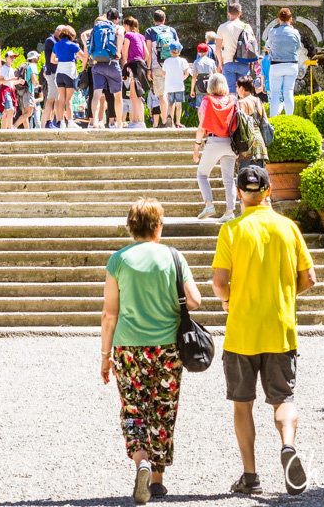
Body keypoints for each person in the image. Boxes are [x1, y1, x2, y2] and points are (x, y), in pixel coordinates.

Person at [212, 164, 316, 496]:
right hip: (280, 328)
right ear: (269, 190)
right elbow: (310, 279)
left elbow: (218, 283)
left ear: (239, 193)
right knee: (283, 399)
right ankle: (287, 445)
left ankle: (250, 476)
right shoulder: (288, 228)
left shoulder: (231, 230)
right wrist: (285, 294)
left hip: (242, 330)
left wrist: (228, 300)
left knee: (242, 404)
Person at [101, 197, 202, 503]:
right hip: (168, 347)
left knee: (133, 409)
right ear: (159, 226)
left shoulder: (118, 260)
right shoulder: (173, 257)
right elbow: (194, 300)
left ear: (131, 228)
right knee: (163, 410)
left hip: (129, 348)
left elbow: (109, 314)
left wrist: (105, 357)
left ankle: (141, 459)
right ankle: (156, 481)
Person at [193, 72, 238, 222]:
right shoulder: (233, 100)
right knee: (229, 180)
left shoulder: (207, 101)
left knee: (202, 174)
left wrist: (197, 147)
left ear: (210, 86)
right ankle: (230, 212)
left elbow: (201, 127)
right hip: (231, 143)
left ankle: (209, 204)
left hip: (214, 141)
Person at [88, 8, 125, 129]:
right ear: (117, 18)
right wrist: (118, 51)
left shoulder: (97, 26)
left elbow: (84, 35)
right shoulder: (117, 27)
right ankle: (119, 123)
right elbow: (120, 35)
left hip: (97, 64)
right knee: (117, 96)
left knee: (96, 94)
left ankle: (95, 122)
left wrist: (90, 53)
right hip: (112, 63)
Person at [263, 7, 302, 118]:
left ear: (279, 19)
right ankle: (290, 119)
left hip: (276, 65)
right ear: (290, 19)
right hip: (291, 64)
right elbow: (298, 48)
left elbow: (267, 46)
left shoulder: (272, 32)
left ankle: (273, 119)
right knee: (288, 92)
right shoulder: (295, 32)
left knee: (275, 93)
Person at [144, 10, 179, 128]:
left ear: (154, 20)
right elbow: (177, 48)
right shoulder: (172, 30)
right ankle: (171, 120)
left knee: (161, 95)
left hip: (157, 65)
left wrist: (148, 69)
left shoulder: (150, 31)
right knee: (170, 93)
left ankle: (164, 121)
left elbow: (148, 51)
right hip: (171, 65)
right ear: (164, 19)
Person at [215, 2, 254, 96]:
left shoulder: (222, 27)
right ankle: (244, 109)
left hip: (228, 63)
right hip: (243, 62)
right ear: (240, 13)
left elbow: (218, 48)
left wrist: (221, 63)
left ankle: (233, 110)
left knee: (230, 92)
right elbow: (252, 46)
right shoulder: (246, 27)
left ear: (228, 13)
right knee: (244, 91)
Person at [53, 25, 84, 129]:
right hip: (69, 72)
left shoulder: (56, 45)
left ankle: (61, 122)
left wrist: (62, 59)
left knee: (61, 98)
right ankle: (70, 122)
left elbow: (52, 60)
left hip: (59, 73)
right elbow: (84, 57)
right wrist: (75, 58)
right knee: (69, 99)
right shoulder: (73, 45)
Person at [121, 17, 149, 129]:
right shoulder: (141, 36)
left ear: (127, 25)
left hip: (132, 66)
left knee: (135, 95)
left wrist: (125, 67)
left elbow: (125, 53)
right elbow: (146, 54)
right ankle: (134, 121)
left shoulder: (127, 35)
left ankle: (140, 121)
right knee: (134, 94)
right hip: (141, 65)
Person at [234, 77, 269, 165]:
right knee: (258, 176)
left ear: (241, 88)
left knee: (245, 176)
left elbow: (238, 125)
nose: (237, 91)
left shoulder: (241, 103)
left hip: (247, 144)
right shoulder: (259, 101)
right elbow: (265, 122)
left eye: (237, 88)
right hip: (260, 143)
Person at [162, 42, 191, 129]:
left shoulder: (166, 61)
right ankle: (178, 123)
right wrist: (182, 79)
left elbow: (163, 74)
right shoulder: (183, 61)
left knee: (170, 104)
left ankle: (170, 121)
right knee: (179, 105)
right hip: (179, 86)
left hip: (169, 86)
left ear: (170, 51)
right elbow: (186, 73)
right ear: (180, 51)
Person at [42, 26, 61, 129]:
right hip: (52, 73)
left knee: (57, 99)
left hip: (57, 73)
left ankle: (58, 121)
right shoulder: (50, 40)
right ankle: (48, 122)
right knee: (51, 98)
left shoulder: (55, 40)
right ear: (58, 31)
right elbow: (60, 51)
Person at [0, 51, 22, 129]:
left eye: (13, 57)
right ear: (6, 58)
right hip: (5, 91)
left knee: (6, 112)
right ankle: (10, 129)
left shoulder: (11, 68)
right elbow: (0, 81)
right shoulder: (3, 68)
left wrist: (18, 81)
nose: (13, 59)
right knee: (10, 109)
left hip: (10, 91)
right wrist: (11, 79)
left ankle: (3, 130)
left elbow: (11, 83)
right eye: (11, 57)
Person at [190, 43, 217, 111]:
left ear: (198, 52)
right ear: (207, 51)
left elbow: (194, 77)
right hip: (210, 84)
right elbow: (215, 74)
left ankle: (201, 121)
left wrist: (192, 89)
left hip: (200, 85)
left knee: (200, 106)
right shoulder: (212, 61)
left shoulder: (196, 62)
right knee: (210, 104)